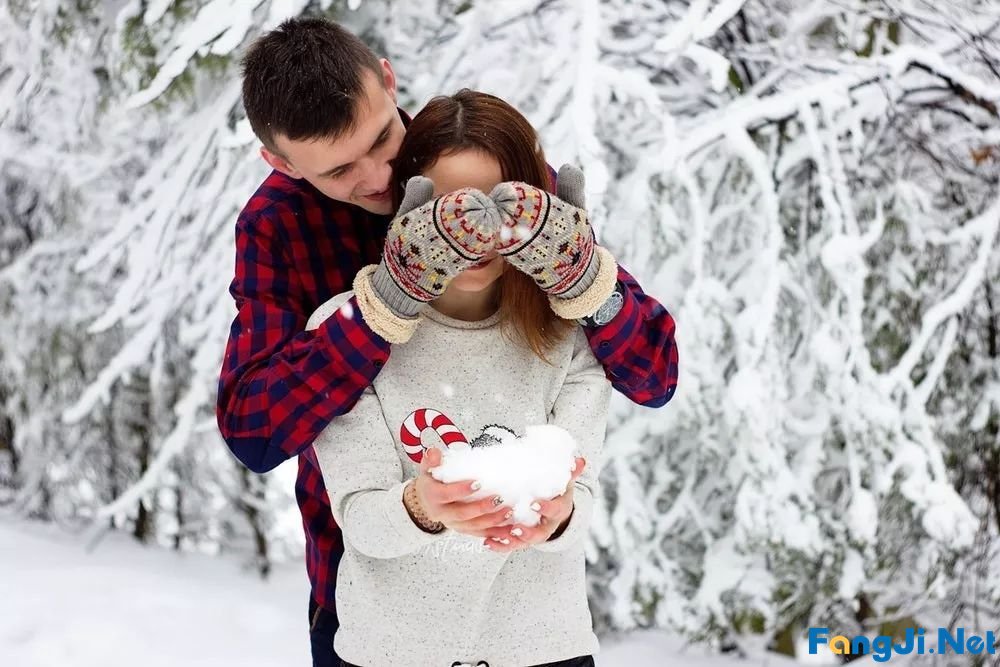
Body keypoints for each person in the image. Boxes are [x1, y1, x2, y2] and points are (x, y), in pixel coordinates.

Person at [216, 16, 679, 667]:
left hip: (524, 612)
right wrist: (379, 312)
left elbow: (653, 374)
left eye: (382, 139)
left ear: (387, 77)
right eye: (341, 169)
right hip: (370, 599)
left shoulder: (468, 160)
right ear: (281, 162)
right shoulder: (279, 227)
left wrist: (586, 279)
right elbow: (253, 430)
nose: (378, 175)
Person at [308, 88, 609, 667]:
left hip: (544, 649)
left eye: (499, 208)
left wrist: (558, 516)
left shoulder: (570, 333)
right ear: (408, 208)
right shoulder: (348, 331)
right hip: (390, 653)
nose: (474, 233)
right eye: (451, 208)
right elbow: (361, 519)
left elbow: (583, 502)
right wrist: (423, 506)